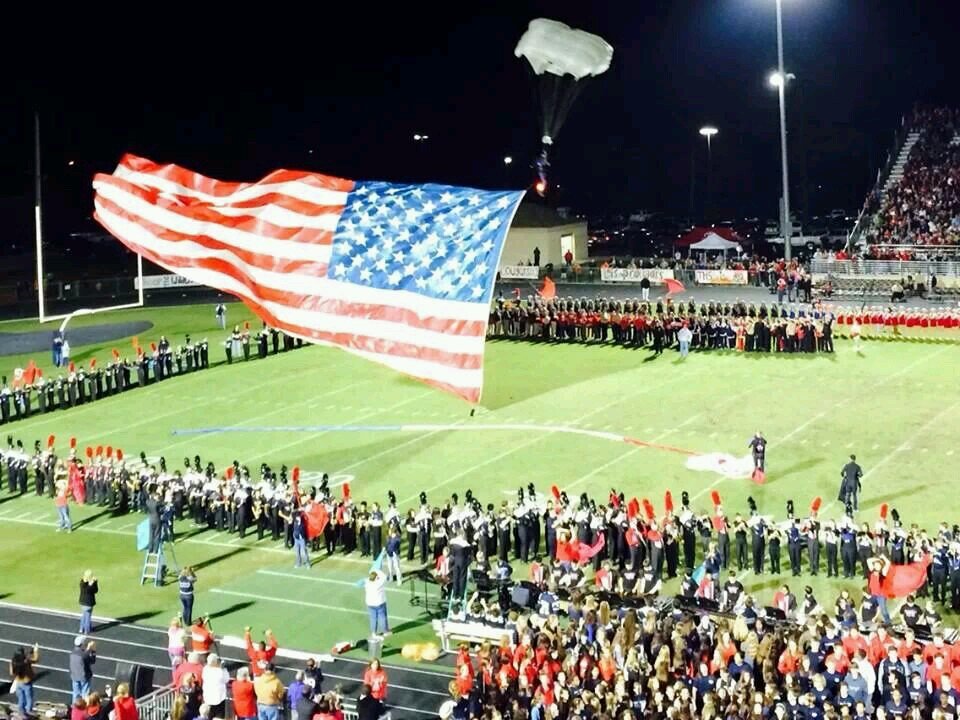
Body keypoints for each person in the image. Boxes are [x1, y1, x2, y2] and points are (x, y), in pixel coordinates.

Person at [9, 643, 39, 715]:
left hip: (19, 682)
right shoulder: (26, 661)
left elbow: (11, 673)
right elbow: (35, 659)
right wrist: (36, 651)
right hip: (26, 682)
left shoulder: (13, 661)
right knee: (29, 697)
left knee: (21, 698)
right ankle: (28, 710)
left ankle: (21, 710)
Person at [201, 654, 230, 720]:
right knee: (219, 717)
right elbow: (226, 679)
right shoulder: (220, 672)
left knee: (209, 716)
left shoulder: (205, 669)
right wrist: (224, 669)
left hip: (208, 698)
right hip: (219, 699)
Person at [364, 569, 390, 638]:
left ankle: (373, 633)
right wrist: (377, 570)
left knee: (373, 618)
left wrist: (373, 571)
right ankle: (385, 632)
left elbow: (370, 575)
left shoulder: (367, 582)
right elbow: (384, 576)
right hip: (379, 603)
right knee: (382, 617)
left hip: (370, 604)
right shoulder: (378, 583)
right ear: (376, 578)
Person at [70, 637, 96, 703]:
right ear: (82, 644)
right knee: (85, 693)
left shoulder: (72, 652)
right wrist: (93, 650)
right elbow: (92, 661)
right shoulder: (84, 655)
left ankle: (74, 708)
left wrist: (88, 649)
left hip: (74, 676)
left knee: (76, 694)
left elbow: (83, 654)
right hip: (84, 677)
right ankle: (84, 708)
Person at [79, 569, 99, 634]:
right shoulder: (90, 586)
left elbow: (85, 586)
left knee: (84, 615)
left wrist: (92, 583)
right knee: (88, 617)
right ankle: (86, 630)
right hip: (88, 603)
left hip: (82, 602)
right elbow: (95, 590)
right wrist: (95, 583)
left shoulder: (82, 582)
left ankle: (81, 629)